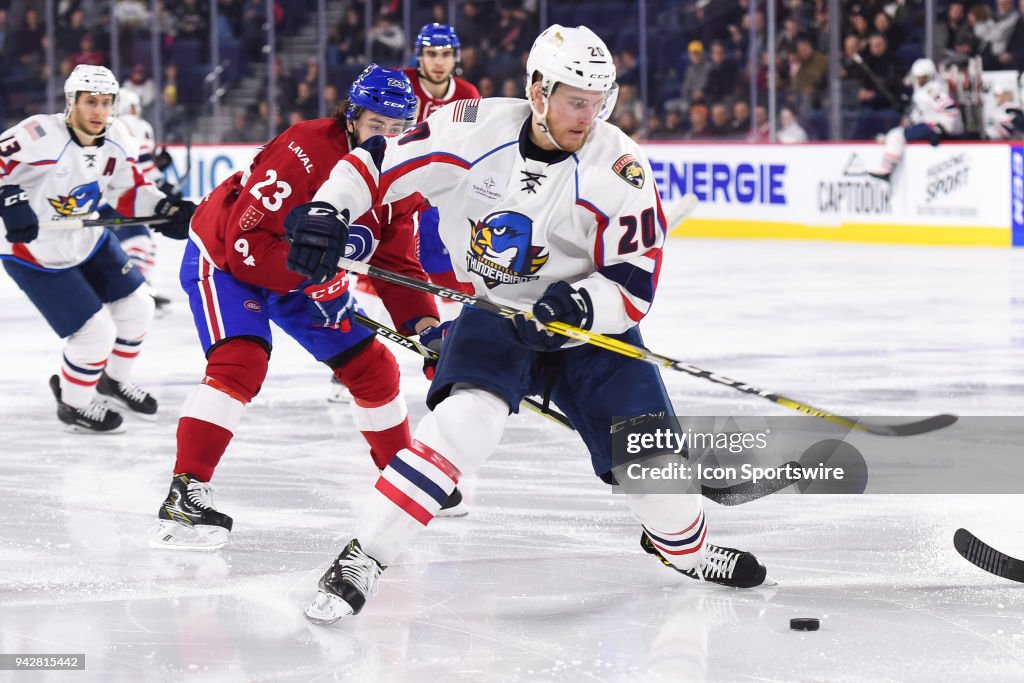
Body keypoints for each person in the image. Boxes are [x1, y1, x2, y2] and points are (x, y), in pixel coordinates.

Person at [285, 24, 769, 625]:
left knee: (657, 473)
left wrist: (578, 306)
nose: (587, 116)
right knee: (463, 425)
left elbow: (635, 285)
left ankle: (685, 551)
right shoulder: (471, 128)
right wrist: (331, 211)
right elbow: (377, 163)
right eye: (575, 100)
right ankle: (366, 556)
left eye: (598, 102)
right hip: (496, 311)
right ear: (538, 91)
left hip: (592, 330)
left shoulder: (619, 167)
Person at [149, 65, 465, 552]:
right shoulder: (306, 149)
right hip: (225, 259)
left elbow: (394, 263)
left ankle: (403, 475)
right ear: (352, 117)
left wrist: (426, 329)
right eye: (376, 125)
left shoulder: (402, 177)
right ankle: (185, 490)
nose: (385, 138)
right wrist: (320, 279)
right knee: (241, 361)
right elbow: (244, 245)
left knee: (373, 369)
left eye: (397, 129)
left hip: (306, 274)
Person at [0, 65, 193, 434]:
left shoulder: (119, 136)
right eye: (90, 102)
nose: (98, 112)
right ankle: (73, 404)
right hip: (33, 251)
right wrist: (8, 199)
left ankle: (113, 380)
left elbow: (127, 190)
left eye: (106, 103)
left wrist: (163, 210)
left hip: (86, 239)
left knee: (139, 307)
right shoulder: (38, 133)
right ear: (71, 101)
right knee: (94, 333)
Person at [108, 89, 178, 310]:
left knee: (140, 245)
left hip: (105, 195)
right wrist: (162, 182)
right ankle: (134, 290)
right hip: (124, 195)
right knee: (139, 243)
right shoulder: (135, 125)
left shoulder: (104, 127)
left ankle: (137, 287)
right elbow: (141, 163)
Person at [869, 59, 964, 181]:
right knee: (896, 134)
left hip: (933, 128)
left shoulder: (932, 91)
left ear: (929, 76)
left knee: (896, 135)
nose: (919, 81)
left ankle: (886, 169)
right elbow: (921, 114)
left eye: (922, 77)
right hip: (930, 126)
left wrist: (942, 128)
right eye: (917, 77)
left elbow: (951, 111)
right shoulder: (923, 91)